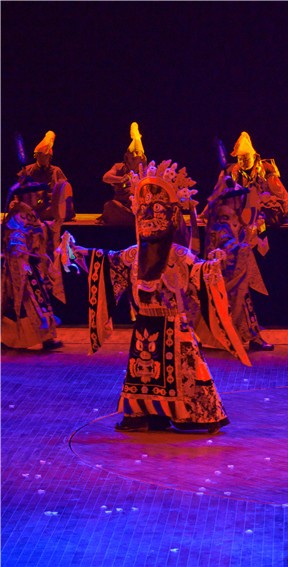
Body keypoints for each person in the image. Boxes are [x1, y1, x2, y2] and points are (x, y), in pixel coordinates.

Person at [65, 160, 250, 433]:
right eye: (146, 213)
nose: (150, 221)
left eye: (157, 213)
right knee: (143, 369)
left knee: (187, 368)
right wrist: (79, 251)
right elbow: (108, 261)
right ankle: (144, 415)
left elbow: (199, 270)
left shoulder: (178, 254)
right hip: (145, 325)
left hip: (175, 324)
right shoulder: (135, 254)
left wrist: (214, 264)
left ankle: (195, 416)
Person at [200, 197, 274, 351]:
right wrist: (239, 248)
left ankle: (251, 337)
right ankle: (242, 338)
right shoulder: (219, 227)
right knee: (235, 305)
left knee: (243, 305)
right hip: (228, 273)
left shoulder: (233, 222)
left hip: (237, 272)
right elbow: (219, 248)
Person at [1, 200, 63, 350]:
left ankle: (46, 338)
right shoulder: (13, 228)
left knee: (39, 303)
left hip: (28, 271)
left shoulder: (25, 224)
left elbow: (37, 234)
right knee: (24, 306)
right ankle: (11, 340)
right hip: (18, 273)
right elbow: (16, 251)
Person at [201, 131, 288, 228]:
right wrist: (205, 213)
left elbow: (282, 194)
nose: (243, 162)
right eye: (240, 159)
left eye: (246, 159)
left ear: (254, 157)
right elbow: (217, 193)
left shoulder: (265, 171)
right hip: (239, 213)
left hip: (262, 213)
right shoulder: (231, 172)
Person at [7, 130, 75, 223]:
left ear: (50, 157)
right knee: (13, 206)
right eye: (41, 156)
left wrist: (49, 197)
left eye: (46, 156)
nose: (43, 158)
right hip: (31, 206)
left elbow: (65, 193)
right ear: (36, 156)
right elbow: (18, 193)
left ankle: (34, 217)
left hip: (50, 207)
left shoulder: (56, 171)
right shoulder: (27, 170)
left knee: (59, 210)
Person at [99, 122, 148, 226]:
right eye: (133, 158)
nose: (136, 160)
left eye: (139, 158)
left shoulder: (146, 171)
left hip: (140, 208)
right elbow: (106, 177)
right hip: (123, 207)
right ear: (127, 158)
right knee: (110, 206)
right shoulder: (119, 167)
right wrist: (121, 179)